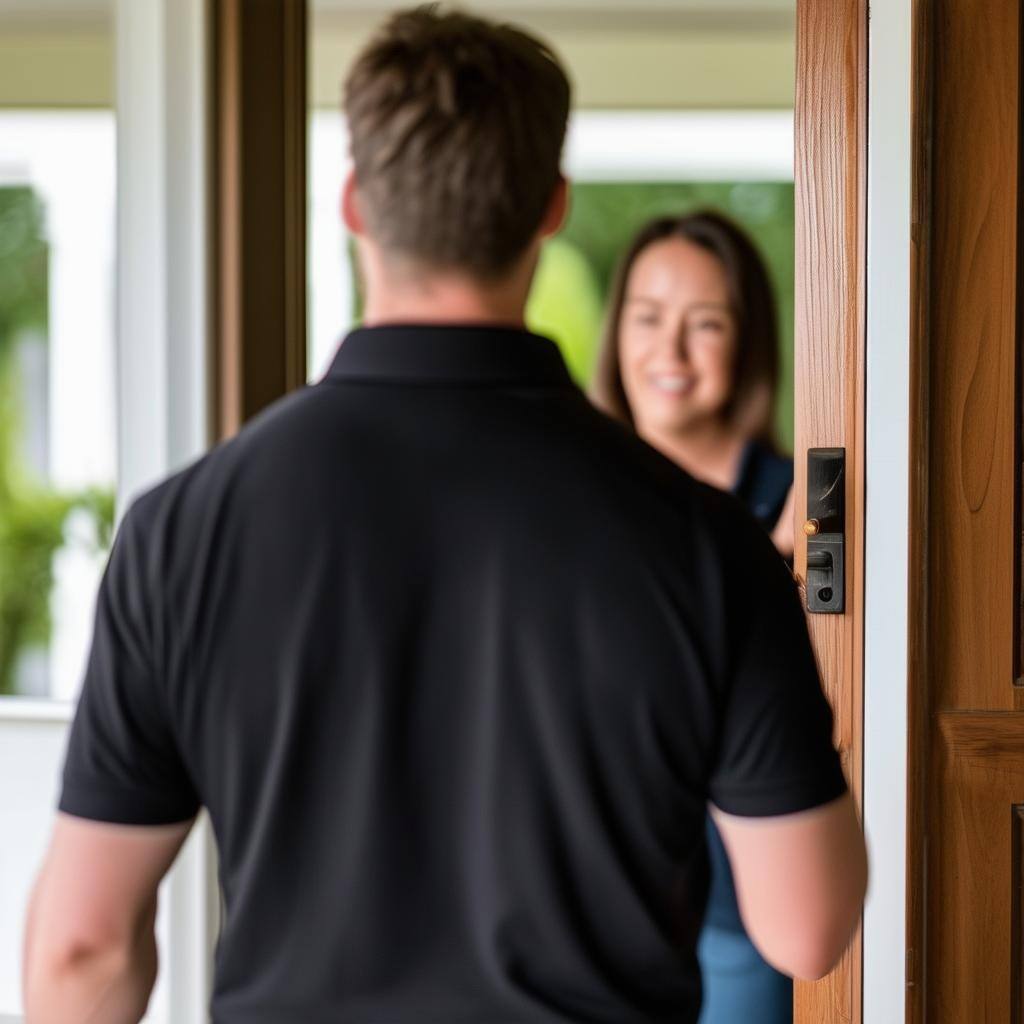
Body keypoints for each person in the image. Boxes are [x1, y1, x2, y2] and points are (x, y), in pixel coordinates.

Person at [23, 7, 867, 1023]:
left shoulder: (179, 532)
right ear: (550, 209)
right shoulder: (708, 544)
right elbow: (807, 926)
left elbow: (81, 948)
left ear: (353, 204)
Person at [593, 211, 801, 1023]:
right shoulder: (571, 498)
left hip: (744, 914)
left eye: (705, 323)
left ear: (747, 341)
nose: (669, 352)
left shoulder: (809, 509)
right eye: (648, 318)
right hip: (588, 910)